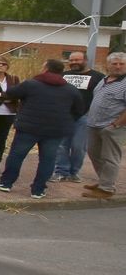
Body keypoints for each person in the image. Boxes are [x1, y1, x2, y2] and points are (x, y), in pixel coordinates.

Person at [0, 58, 86, 199]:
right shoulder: (71, 89)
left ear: (46, 69)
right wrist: (66, 120)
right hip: (55, 131)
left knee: (17, 155)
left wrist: (1, 95)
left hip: (28, 128)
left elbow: (11, 93)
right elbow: (79, 110)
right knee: (48, 159)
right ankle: (38, 190)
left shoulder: (31, 84)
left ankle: (6, 183)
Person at [53, 51, 105, 182]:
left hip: (84, 117)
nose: (74, 63)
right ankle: (61, 171)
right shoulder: (63, 75)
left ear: (85, 60)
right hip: (63, 116)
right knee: (61, 145)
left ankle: (74, 172)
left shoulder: (98, 77)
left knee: (78, 147)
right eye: (71, 60)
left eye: (77, 60)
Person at [82, 52, 126, 199]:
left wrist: (115, 124)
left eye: (121, 64)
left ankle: (107, 189)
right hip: (94, 125)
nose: (118, 66)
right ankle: (104, 181)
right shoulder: (104, 80)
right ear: (108, 65)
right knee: (94, 154)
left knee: (110, 157)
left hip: (112, 127)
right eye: (114, 64)